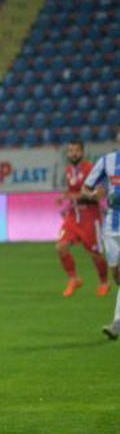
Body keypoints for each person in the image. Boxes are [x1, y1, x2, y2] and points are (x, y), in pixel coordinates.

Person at [55, 140, 109, 298]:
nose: (73, 153)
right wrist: (66, 197)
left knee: (95, 254)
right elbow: (72, 191)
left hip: (90, 217)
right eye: (70, 151)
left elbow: (98, 193)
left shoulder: (90, 169)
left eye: (76, 151)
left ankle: (104, 282)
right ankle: (74, 279)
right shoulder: (69, 170)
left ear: (82, 152)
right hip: (73, 215)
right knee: (60, 246)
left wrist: (73, 196)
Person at [81, 137, 120, 339]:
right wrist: (95, 194)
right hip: (111, 227)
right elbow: (85, 188)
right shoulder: (107, 161)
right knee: (117, 276)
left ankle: (116, 324)